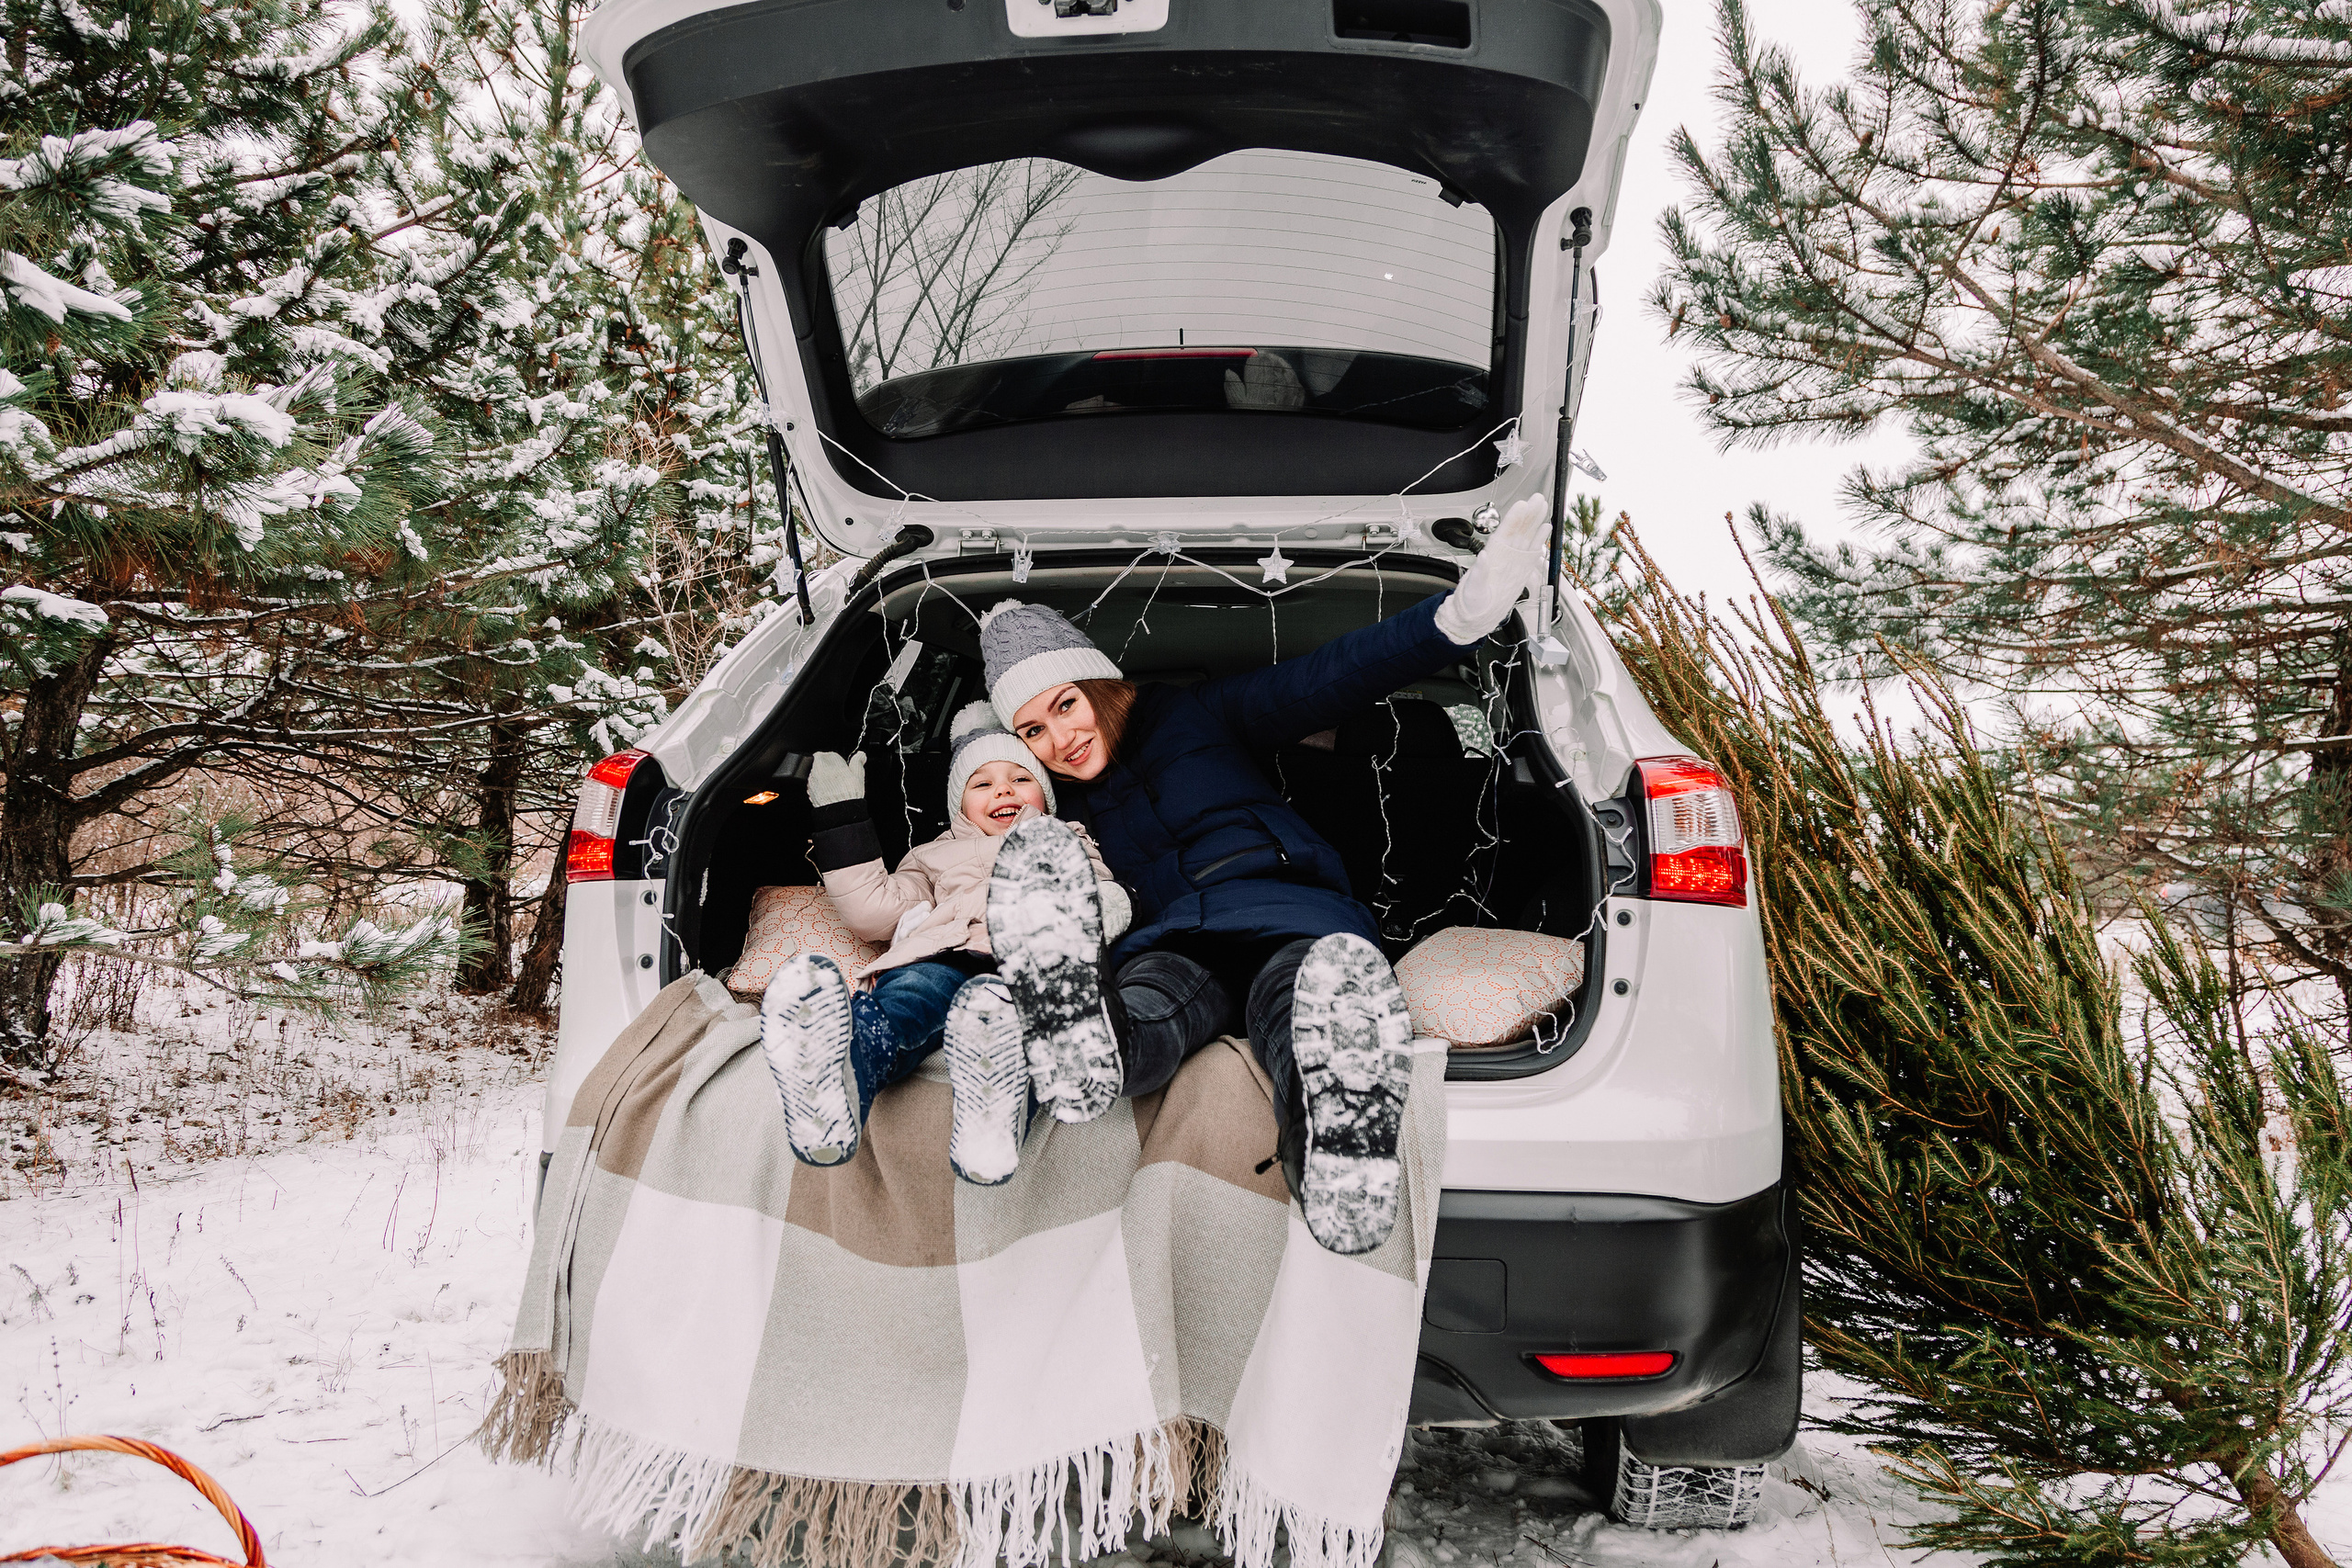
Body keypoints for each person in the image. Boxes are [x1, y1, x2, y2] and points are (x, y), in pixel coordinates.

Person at [978, 497, 1553, 1254]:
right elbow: (968, 828)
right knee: (1151, 1006)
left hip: (1287, 912)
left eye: (1065, 705)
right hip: (1169, 937)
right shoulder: (1046, 804)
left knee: (1302, 1008)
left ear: (1096, 683)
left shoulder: (1194, 715)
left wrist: (1455, 620)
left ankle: (1334, 1141)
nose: (1061, 738)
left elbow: (1325, 679)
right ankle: (1091, 1043)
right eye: (1032, 730)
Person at [760, 702, 1132, 1186]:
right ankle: (845, 1070)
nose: (1003, 790)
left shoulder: (1067, 841)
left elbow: (1099, 895)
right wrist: (841, 813)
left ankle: (995, 1127)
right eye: (982, 783)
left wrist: (1097, 912)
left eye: (1021, 779)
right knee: (910, 995)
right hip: (944, 956)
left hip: (1029, 966)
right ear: (960, 805)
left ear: (1047, 797)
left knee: (1025, 1031)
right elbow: (872, 909)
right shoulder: (934, 855)